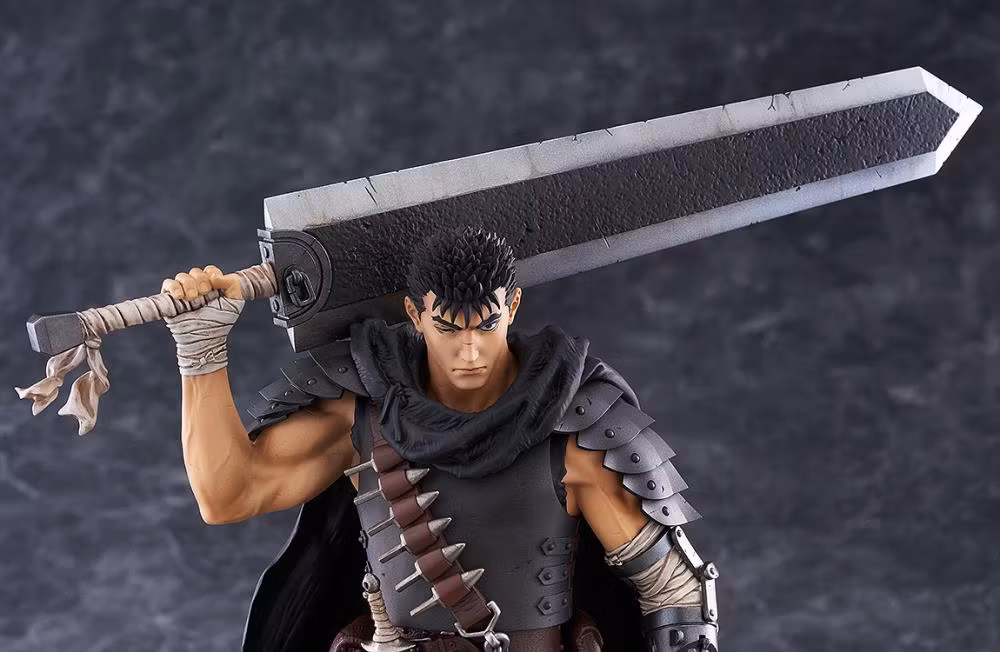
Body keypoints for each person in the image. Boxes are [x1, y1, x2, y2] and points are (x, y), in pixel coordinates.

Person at [161, 227, 720, 652]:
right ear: (415, 314)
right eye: (449, 328)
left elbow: (675, 592)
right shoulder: (363, 414)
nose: (469, 352)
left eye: (486, 324)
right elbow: (227, 495)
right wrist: (201, 351)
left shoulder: (577, 425)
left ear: (512, 306)